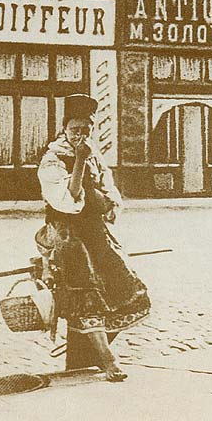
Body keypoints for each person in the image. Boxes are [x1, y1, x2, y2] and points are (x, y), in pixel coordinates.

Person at [36, 94, 150, 382]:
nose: (80, 135)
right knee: (86, 296)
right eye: (75, 129)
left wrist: (108, 202)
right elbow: (68, 199)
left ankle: (89, 353)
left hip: (96, 232)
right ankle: (107, 359)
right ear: (64, 129)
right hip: (67, 235)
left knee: (128, 290)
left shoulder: (94, 154)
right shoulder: (52, 160)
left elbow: (108, 188)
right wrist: (79, 160)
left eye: (86, 130)